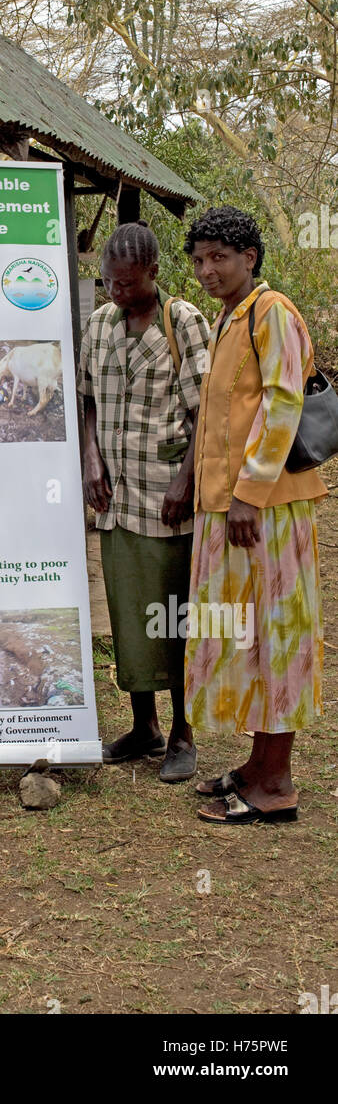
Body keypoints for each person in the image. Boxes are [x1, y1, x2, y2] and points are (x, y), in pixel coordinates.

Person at [183, 206, 327, 824]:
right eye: (199, 259)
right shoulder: (230, 317)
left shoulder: (274, 312)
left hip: (264, 508)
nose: (207, 269)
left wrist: (249, 492)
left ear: (251, 258)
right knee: (245, 638)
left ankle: (276, 785)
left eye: (219, 256)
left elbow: (284, 404)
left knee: (276, 636)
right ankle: (257, 764)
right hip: (230, 507)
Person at [78, 220, 211, 782]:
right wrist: (91, 459)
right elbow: (85, 399)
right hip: (116, 501)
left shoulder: (184, 322)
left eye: (128, 284)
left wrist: (186, 481)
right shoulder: (101, 322)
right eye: (110, 282)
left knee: (171, 616)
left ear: (153, 274)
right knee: (131, 616)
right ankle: (144, 727)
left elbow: (208, 413)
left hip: (167, 501)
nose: (118, 293)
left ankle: (182, 733)